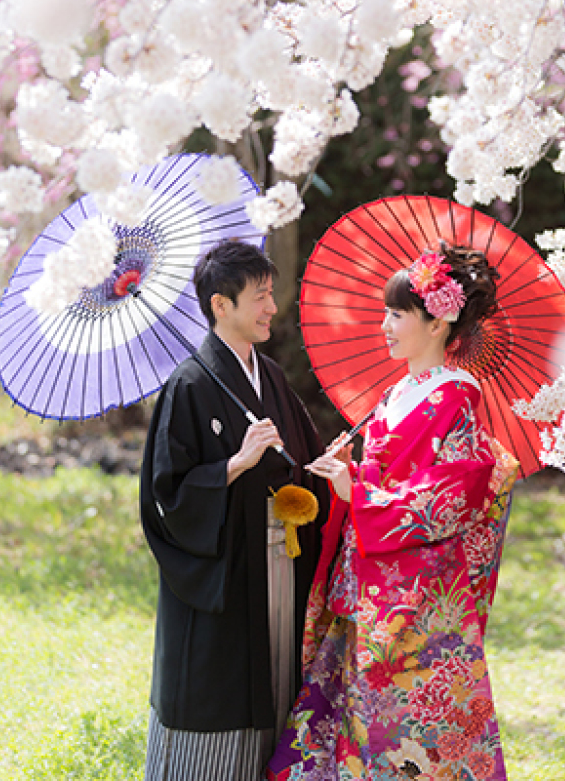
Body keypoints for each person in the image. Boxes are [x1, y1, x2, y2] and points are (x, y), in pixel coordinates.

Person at [267, 243, 519, 781]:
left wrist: (358, 493)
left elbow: (453, 493)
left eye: (397, 313)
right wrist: (349, 472)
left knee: (400, 727)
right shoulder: (402, 391)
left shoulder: (456, 395)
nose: (385, 324)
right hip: (369, 572)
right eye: (387, 311)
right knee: (353, 711)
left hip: (415, 593)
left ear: (438, 322)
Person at [140, 239, 329, 781]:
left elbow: (301, 453)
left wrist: (325, 466)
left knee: (277, 682)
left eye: (272, 294)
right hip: (226, 564)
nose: (273, 307)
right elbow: (166, 494)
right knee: (220, 689)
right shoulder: (188, 385)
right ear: (221, 305)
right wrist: (233, 465)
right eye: (261, 297)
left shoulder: (267, 375)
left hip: (280, 561)